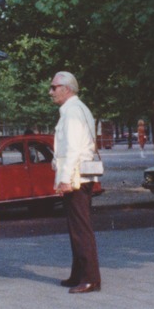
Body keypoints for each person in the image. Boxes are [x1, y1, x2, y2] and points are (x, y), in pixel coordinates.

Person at [50, 71, 101, 294]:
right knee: (76, 227)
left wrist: (64, 180)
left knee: (80, 229)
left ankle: (91, 278)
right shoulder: (76, 110)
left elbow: (72, 150)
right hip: (79, 177)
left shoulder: (71, 113)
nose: (50, 92)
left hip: (76, 178)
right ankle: (79, 274)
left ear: (66, 89)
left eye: (54, 87)